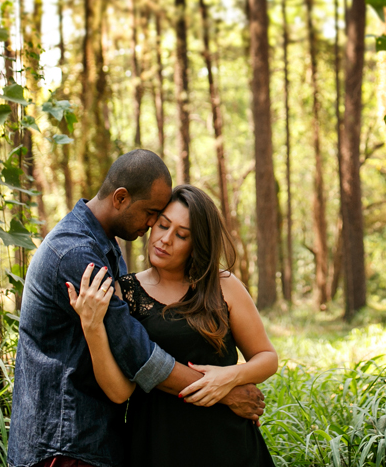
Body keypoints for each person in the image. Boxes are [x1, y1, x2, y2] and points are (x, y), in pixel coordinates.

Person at [8, 150, 265, 467]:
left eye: (180, 233)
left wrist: (232, 377)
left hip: (92, 439)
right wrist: (224, 392)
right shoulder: (77, 254)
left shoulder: (106, 247)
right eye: (153, 215)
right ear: (120, 198)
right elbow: (137, 353)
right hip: (65, 442)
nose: (153, 225)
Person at [68, 184, 278, 467]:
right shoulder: (124, 292)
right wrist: (92, 327)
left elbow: (267, 357)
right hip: (157, 445)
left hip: (228, 445)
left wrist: (229, 377)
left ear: (197, 245)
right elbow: (119, 391)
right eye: (163, 225)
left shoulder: (222, 285)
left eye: (181, 235)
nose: (165, 240)